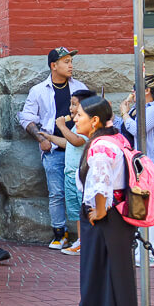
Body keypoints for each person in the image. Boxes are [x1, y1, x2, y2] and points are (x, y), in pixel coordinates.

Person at [39, 94, 139, 306]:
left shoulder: (100, 146)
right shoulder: (116, 138)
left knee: (96, 278)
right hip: (117, 220)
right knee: (118, 281)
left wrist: (101, 209)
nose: (75, 117)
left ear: (94, 121)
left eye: (80, 115)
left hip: (104, 220)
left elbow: (101, 181)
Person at [19, 47, 88, 250]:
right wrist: (40, 138)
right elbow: (26, 118)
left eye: (71, 61)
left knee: (81, 192)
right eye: (66, 61)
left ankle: (83, 235)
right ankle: (60, 233)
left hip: (77, 149)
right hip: (53, 150)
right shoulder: (39, 90)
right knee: (57, 193)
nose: (70, 65)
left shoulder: (79, 88)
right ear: (53, 65)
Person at [119, 72, 154, 264]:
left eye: (135, 88)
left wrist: (125, 112)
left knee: (149, 206)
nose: (132, 92)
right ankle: (141, 251)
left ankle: (150, 254)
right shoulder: (141, 108)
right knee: (139, 205)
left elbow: (136, 129)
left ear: (146, 90)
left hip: (149, 164)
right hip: (137, 163)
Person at [42, 93, 89, 257]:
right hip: (69, 175)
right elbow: (68, 142)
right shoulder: (75, 125)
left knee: (84, 210)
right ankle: (81, 241)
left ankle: (86, 242)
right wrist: (50, 137)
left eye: (74, 104)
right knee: (76, 211)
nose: (71, 108)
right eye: (71, 104)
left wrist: (62, 126)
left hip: (80, 174)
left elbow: (77, 141)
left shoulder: (85, 124)